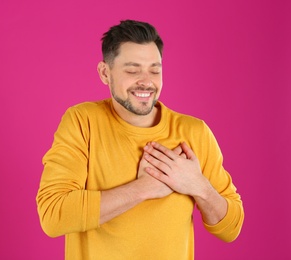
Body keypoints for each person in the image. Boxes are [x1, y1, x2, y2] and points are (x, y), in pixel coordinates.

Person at [36, 19, 244, 259]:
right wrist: (143, 188)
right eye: (133, 70)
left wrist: (198, 186)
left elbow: (231, 228)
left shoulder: (194, 132)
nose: (146, 81)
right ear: (105, 73)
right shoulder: (82, 122)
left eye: (155, 70)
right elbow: (53, 215)